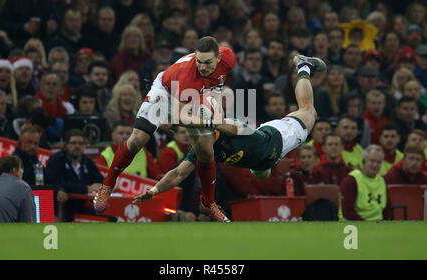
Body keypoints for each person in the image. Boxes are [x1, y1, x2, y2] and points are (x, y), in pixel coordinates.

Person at [132, 54, 326, 217]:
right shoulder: (204, 148)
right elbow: (177, 174)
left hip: (278, 138)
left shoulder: (226, 127)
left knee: (309, 111)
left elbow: (232, 128)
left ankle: (303, 65)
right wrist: (154, 191)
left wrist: (190, 117)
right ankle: (259, 165)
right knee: (262, 173)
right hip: (258, 158)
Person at [93, 36, 238, 222]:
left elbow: (217, 84)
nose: (202, 67)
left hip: (199, 94)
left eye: (207, 62)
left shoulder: (229, 58)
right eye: (199, 61)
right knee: (137, 139)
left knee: (206, 152)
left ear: (219, 58)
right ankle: (107, 185)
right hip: (166, 91)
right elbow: (180, 117)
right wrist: (216, 124)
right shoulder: (188, 76)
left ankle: (208, 203)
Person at [44, 129, 104, 221]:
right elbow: (57, 183)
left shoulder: (86, 161)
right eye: (73, 143)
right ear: (65, 146)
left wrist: (104, 185)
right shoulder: (56, 159)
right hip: (63, 207)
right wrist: (86, 189)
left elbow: (99, 179)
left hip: (84, 205)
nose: (77, 146)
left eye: (80, 143)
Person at [339, 145, 392, 221]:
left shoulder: (382, 181)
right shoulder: (351, 180)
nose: (375, 165)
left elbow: (387, 210)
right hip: (354, 226)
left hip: (378, 226)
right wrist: (368, 227)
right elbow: (347, 212)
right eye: (372, 161)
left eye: (379, 162)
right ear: (364, 161)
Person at [0, 155, 36, 223]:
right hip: (2, 232)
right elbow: (29, 224)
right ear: (14, 170)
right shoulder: (23, 187)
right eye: (21, 168)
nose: (22, 171)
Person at [96, 121, 162, 180]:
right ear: (113, 136)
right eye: (121, 133)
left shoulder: (143, 151)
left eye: (128, 134)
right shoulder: (104, 156)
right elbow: (100, 180)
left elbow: (156, 175)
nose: (125, 137)